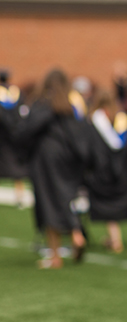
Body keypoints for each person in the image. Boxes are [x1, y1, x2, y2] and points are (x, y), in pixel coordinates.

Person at [10, 69, 89, 269]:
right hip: (68, 158)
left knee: (47, 203)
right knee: (65, 198)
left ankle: (55, 256)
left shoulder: (43, 104)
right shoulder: (72, 106)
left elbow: (27, 130)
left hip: (46, 159)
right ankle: (76, 234)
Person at [84, 89, 127, 254]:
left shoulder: (93, 123)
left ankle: (115, 240)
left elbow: (87, 149)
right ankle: (114, 238)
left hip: (99, 174)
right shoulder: (123, 121)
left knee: (106, 208)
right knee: (113, 210)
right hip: (121, 172)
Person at [0, 69, 29, 209]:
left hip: (2, 133)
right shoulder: (16, 92)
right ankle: (20, 196)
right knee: (16, 167)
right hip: (15, 133)